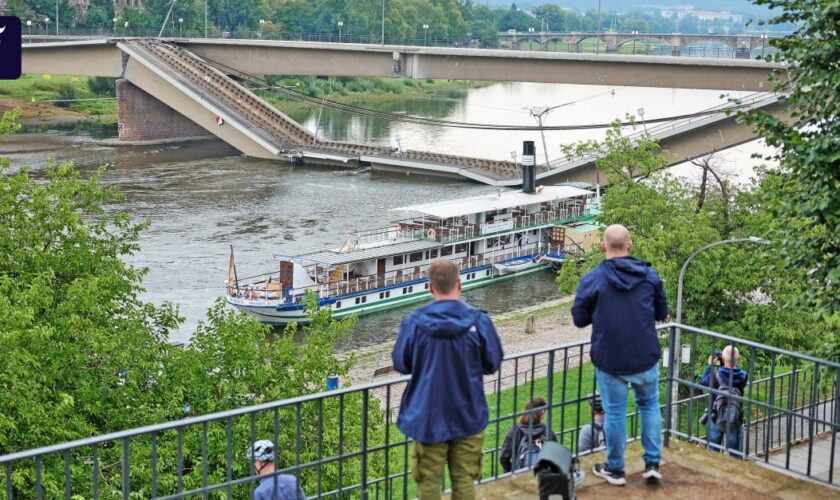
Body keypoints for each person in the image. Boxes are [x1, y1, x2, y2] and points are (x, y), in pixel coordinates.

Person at [392, 259, 504, 500]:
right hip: (468, 409)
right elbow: (492, 362)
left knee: (429, 480)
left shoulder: (414, 323)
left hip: (428, 412)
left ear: (430, 287)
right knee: (464, 479)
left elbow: (401, 363)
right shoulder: (479, 321)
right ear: (459, 284)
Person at [571, 224, 668, 486]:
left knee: (614, 413)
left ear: (603, 247)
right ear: (630, 246)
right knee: (649, 406)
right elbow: (661, 314)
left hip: (610, 358)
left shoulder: (592, 279)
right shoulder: (650, 276)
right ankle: (652, 464)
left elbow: (579, 319)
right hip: (644, 356)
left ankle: (616, 470)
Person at [700, 345, 749, 457]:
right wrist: (732, 360)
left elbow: (703, 381)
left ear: (722, 358)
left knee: (713, 451)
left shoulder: (716, 375)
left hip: (716, 417)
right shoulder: (743, 375)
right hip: (735, 418)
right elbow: (735, 370)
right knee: (735, 453)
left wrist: (710, 366)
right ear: (738, 358)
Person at [500, 397, 558, 473]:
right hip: (543, 476)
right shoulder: (548, 432)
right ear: (542, 413)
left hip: (520, 475)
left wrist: (512, 470)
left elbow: (504, 458)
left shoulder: (514, 431)